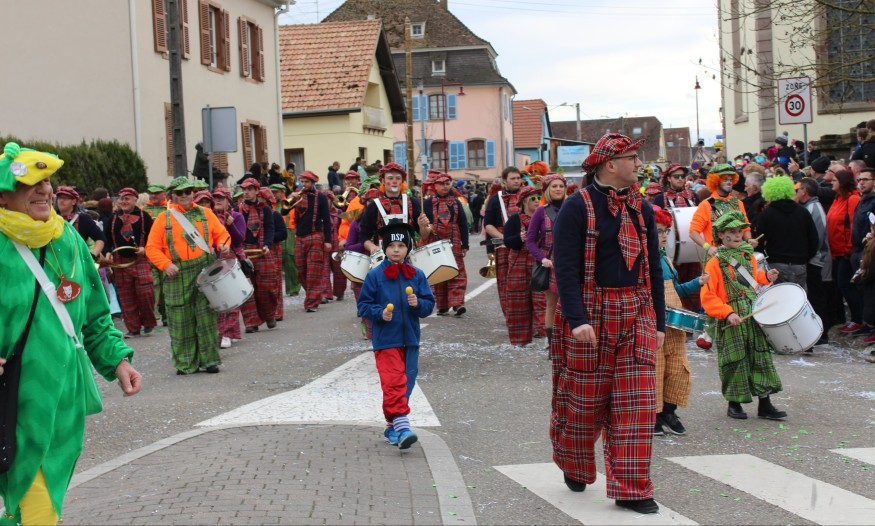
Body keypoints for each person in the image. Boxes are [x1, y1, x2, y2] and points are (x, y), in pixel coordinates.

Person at [0, 142, 142, 525]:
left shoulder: (68, 239)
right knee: (35, 496)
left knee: (44, 496)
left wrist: (117, 360)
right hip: (15, 395)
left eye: (46, 181)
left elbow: (94, 314)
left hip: (66, 394)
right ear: (2, 196)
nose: (43, 190)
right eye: (29, 183)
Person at [551, 133, 665, 515]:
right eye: (633, 158)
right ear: (610, 164)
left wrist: (659, 322)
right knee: (583, 405)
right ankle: (574, 463)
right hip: (591, 314)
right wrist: (576, 319)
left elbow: (652, 269)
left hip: (636, 310)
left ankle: (632, 489)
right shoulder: (576, 207)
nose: (639, 164)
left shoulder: (641, 207)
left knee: (638, 403)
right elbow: (565, 269)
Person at [700, 210, 784, 421]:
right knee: (735, 360)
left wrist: (766, 277)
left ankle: (765, 404)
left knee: (760, 356)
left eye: (739, 231)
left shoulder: (748, 256)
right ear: (721, 235)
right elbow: (708, 295)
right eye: (732, 232)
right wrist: (727, 313)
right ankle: (734, 404)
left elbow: (751, 279)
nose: (737, 235)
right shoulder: (714, 263)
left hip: (752, 314)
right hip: (732, 318)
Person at [357, 222, 435, 450]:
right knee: (393, 383)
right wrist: (380, 313)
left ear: (408, 248)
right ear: (385, 248)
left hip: (410, 339)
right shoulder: (375, 276)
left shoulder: (417, 275)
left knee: (406, 384)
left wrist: (418, 303)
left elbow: (428, 305)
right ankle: (402, 427)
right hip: (386, 340)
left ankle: (392, 427)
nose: (396, 250)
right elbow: (363, 306)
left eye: (401, 246)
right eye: (391, 246)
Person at [145, 177, 230, 375]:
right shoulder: (163, 219)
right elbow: (152, 248)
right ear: (172, 195)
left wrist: (223, 245)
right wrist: (165, 264)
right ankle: (185, 363)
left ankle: (210, 361)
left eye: (188, 192)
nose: (184, 196)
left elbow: (222, 234)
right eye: (179, 193)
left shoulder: (206, 213)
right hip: (177, 275)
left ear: (193, 193)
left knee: (207, 319)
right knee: (180, 321)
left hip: (204, 271)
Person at [652, 207, 708, 436]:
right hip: (653, 322)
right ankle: (653, 414)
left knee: (677, 367)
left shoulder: (666, 259)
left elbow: (677, 290)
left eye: (666, 231)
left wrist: (698, 282)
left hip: (674, 323)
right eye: (658, 231)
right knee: (656, 368)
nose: (664, 236)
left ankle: (669, 411)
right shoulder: (641, 261)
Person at [104, 187, 157, 338]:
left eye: (127, 198)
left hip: (140, 260)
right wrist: (107, 253)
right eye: (121, 198)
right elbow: (106, 239)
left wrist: (145, 248)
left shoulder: (145, 217)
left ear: (135, 200)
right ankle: (133, 328)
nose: (123, 201)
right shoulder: (113, 218)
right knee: (126, 296)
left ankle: (148, 323)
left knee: (145, 293)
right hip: (120, 262)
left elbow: (153, 238)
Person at [501, 185, 547, 346]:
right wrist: (518, 239)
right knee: (518, 301)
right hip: (519, 263)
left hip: (539, 262)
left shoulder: (545, 217)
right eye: (533, 198)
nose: (537, 201)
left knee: (542, 299)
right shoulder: (515, 219)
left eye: (539, 197)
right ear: (524, 201)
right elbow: (507, 241)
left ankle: (545, 334)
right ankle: (520, 339)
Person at [526, 173, 567, 349]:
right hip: (550, 265)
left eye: (561, 186)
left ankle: (567, 340)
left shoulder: (572, 208)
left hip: (570, 263)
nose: (558, 189)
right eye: (554, 186)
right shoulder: (541, 212)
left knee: (571, 303)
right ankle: (551, 343)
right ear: (547, 190)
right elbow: (530, 241)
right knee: (552, 304)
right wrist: (542, 258)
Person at [757, 176, 818, 292]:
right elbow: (814, 240)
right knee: (798, 297)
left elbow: (759, 242)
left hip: (776, 263)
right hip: (799, 264)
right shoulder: (802, 212)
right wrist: (804, 257)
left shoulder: (767, 214)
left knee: (779, 297)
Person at [422, 172, 469, 316]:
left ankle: (457, 303)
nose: (445, 186)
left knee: (457, 271)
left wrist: (465, 244)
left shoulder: (456, 202)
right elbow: (423, 226)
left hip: (454, 240)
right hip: (435, 241)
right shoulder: (427, 203)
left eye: (447, 184)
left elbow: (463, 223)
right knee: (440, 272)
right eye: (441, 184)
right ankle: (442, 305)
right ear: (435, 186)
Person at [358, 163, 429, 255]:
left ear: (402, 181)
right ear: (383, 181)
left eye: (398, 178)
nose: (394, 181)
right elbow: (363, 236)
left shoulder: (413, 202)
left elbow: (424, 236)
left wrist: (423, 226)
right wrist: (372, 247)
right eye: (390, 178)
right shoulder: (374, 206)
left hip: (409, 257)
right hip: (383, 257)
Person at [827, 169, 864, 334]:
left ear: (842, 182)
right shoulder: (837, 198)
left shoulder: (852, 199)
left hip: (846, 251)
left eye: (835, 180)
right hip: (838, 250)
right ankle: (856, 319)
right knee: (843, 285)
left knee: (846, 284)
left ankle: (858, 319)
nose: (831, 182)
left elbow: (853, 225)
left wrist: (849, 247)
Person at [483, 167, 524, 318]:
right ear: (504, 181)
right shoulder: (495, 199)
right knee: (505, 282)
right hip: (502, 245)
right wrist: (503, 240)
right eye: (513, 178)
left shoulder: (529, 196)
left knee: (525, 281)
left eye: (518, 178)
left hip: (526, 244)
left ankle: (526, 315)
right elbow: (488, 225)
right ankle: (510, 315)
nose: (516, 181)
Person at [795, 178, 831, 345]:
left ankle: (821, 334)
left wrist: (807, 256)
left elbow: (816, 237)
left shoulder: (813, 208)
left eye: (798, 189)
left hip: (815, 260)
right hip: (811, 258)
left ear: (804, 191)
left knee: (816, 296)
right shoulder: (808, 207)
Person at [238, 178, 277, 331]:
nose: (246, 192)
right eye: (244, 189)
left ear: (256, 191)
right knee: (245, 289)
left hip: (261, 250)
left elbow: (270, 228)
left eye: (249, 189)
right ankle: (251, 323)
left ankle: (269, 315)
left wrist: (267, 244)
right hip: (244, 252)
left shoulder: (265, 209)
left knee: (266, 289)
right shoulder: (238, 210)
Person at [292, 171, 333, 312]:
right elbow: (284, 212)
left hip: (315, 236)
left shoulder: (320, 197)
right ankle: (314, 294)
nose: (304, 185)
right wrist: (291, 200)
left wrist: (328, 240)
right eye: (302, 182)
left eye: (307, 182)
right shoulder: (296, 196)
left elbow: (326, 220)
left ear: (313, 183)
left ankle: (312, 303)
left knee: (313, 271)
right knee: (301, 271)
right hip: (299, 238)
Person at [850, 166, 875, 336]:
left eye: (865, 179)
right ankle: (866, 323)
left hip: (869, 250)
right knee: (862, 289)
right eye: (859, 180)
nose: (861, 183)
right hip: (858, 249)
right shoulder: (862, 200)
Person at [54, 185, 105, 259]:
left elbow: (100, 238)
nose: (61, 200)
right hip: (57, 261)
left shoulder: (83, 218)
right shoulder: (52, 218)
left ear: (74, 201)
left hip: (78, 261)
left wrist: (92, 256)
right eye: (59, 198)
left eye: (65, 198)